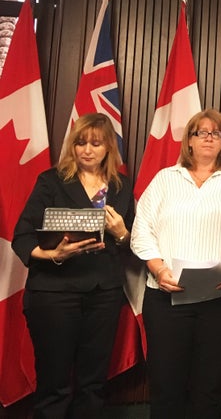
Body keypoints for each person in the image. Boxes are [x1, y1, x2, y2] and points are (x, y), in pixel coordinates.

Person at [130, 108, 221, 418]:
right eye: (200, 132)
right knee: (166, 387)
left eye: (215, 133)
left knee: (208, 388)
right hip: (166, 299)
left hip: (220, 300)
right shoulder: (165, 179)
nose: (208, 138)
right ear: (188, 141)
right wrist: (159, 269)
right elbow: (141, 232)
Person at [12, 112, 134, 418]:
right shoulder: (52, 181)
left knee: (92, 384)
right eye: (80, 143)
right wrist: (55, 254)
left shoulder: (121, 187)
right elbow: (22, 238)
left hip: (103, 294)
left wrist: (122, 234)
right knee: (54, 383)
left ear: (108, 147)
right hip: (54, 293)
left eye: (95, 143)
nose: (87, 149)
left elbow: (135, 245)